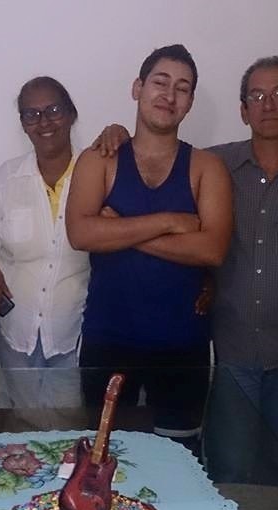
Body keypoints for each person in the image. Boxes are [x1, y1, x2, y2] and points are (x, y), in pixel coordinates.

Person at [94, 56, 278, 472]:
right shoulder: (214, 167)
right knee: (229, 466)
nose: (267, 104)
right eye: (256, 95)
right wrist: (117, 133)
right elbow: (155, 150)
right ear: (243, 110)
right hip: (230, 347)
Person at [66, 44, 233, 438]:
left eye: (182, 88)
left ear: (190, 102)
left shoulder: (207, 168)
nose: (169, 95)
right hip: (108, 340)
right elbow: (80, 233)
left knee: (179, 461)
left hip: (183, 345)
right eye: (160, 82)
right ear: (137, 88)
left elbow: (212, 249)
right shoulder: (99, 159)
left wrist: (121, 230)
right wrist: (169, 222)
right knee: (107, 458)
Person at [0, 76, 89, 408]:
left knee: (70, 425)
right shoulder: (6, 179)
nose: (44, 122)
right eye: (31, 114)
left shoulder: (94, 174)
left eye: (53, 110)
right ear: (23, 124)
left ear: (71, 114)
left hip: (75, 333)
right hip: (16, 329)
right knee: (25, 421)